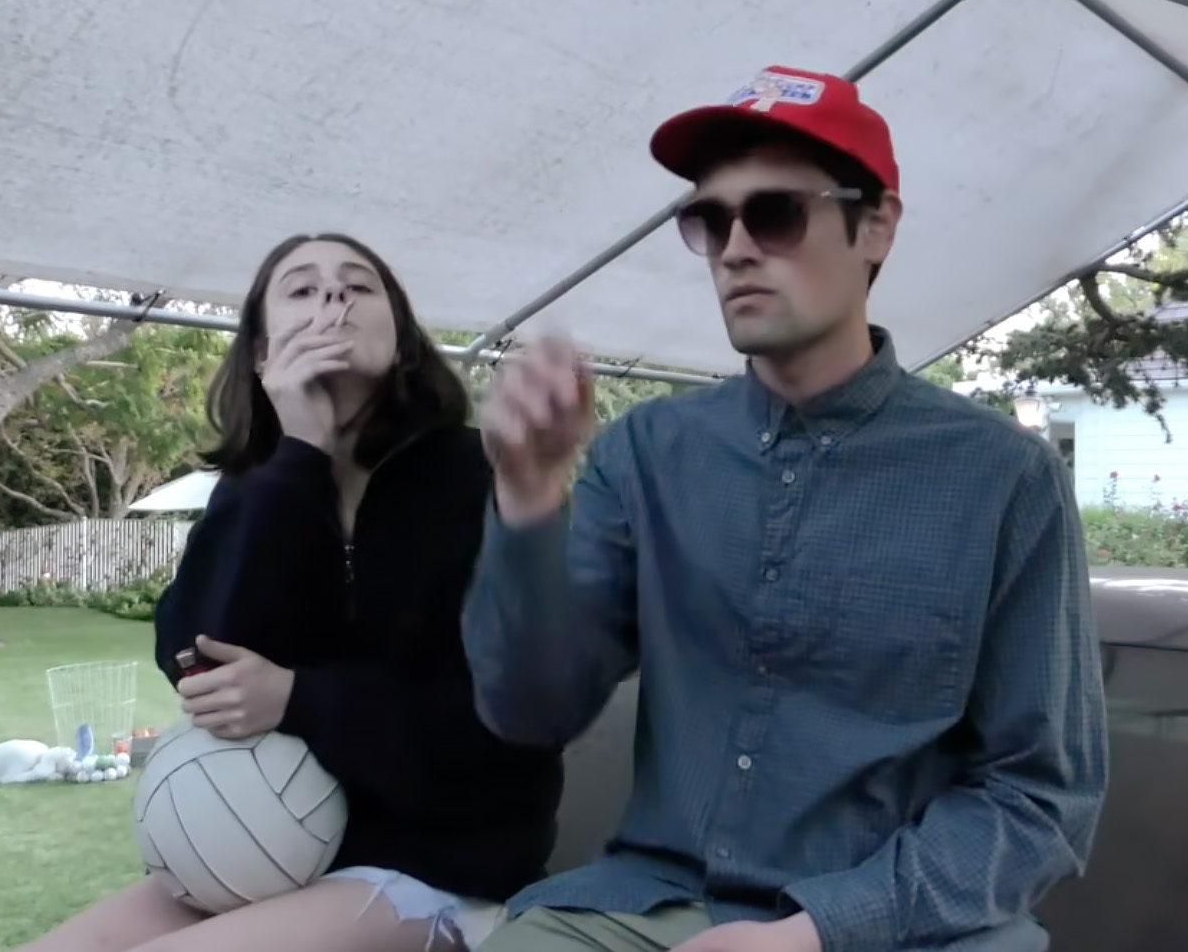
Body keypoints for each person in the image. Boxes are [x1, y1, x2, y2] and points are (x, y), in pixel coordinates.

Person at [465, 66, 1109, 952]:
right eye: (707, 220)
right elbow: (529, 711)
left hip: (903, 923)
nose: (733, 248)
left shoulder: (1002, 478)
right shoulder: (646, 453)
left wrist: (815, 931)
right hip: (649, 906)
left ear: (874, 224)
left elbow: (1040, 799)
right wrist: (528, 500)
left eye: (773, 213)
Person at [21, 233, 563, 952]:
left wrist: (297, 697)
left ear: (400, 340)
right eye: (301, 289)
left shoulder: (479, 478)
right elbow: (199, 659)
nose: (332, 297)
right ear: (260, 353)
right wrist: (298, 456)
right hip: (265, 852)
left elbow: (511, 723)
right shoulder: (258, 487)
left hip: (446, 863)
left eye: (358, 286)